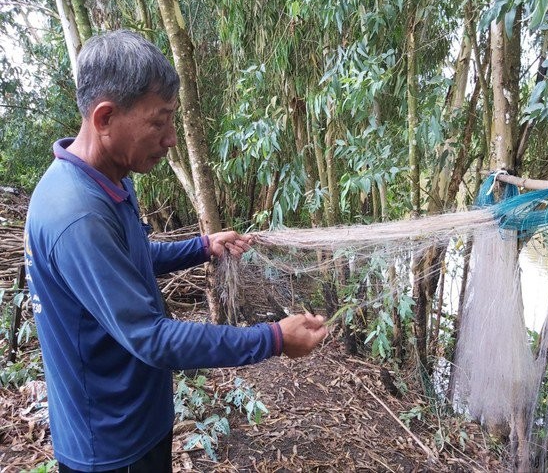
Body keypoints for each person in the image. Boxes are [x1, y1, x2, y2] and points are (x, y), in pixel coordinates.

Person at [24, 29, 328, 472]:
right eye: (158, 121)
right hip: (111, 443)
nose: (169, 138)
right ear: (105, 118)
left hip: (136, 417)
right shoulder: (77, 215)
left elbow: (129, 260)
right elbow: (152, 337)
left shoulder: (107, 178)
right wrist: (275, 338)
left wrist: (202, 247)